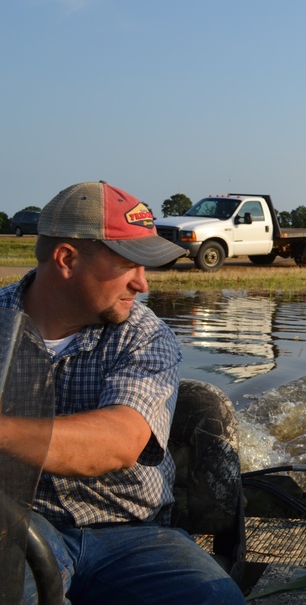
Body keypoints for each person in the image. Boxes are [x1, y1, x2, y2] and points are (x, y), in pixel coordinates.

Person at [0, 181, 245, 605]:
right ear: (66, 260)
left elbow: (119, 443)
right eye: (130, 263)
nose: (142, 283)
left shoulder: (145, 336)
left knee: (216, 600)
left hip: (133, 532)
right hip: (15, 523)